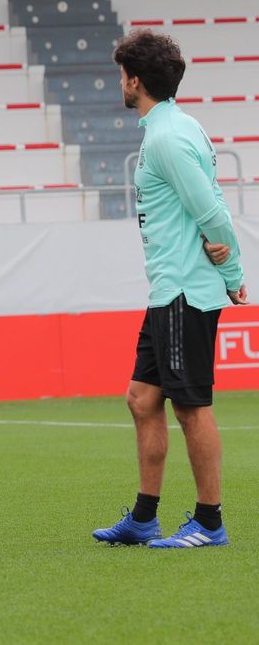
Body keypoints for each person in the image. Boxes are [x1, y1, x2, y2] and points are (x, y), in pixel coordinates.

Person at [92, 29, 246, 548]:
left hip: (185, 290)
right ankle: (143, 519)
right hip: (169, 290)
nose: (120, 83)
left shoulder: (166, 137)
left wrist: (233, 272)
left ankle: (209, 522)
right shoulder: (176, 127)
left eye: (122, 75)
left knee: (190, 405)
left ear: (135, 81)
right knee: (141, 399)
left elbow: (212, 211)